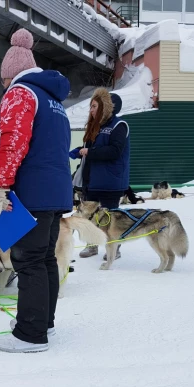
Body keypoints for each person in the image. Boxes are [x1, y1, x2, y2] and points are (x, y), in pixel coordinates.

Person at [0, 28, 72, 353]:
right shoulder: (53, 100)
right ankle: (41, 320)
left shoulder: (21, 93)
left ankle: (30, 333)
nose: (4, 88)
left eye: (3, 82)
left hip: (32, 192)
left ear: (10, 75)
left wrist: (1, 186)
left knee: (28, 260)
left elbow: (12, 143)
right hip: (55, 191)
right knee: (44, 259)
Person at [71, 88, 130, 259]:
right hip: (92, 181)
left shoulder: (119, 126)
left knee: (110, 217)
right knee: (89, 215)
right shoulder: (94, 127)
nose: (91, 110)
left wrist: (90, 152)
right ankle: (92, 244)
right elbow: (89, 149)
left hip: (111, 181)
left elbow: (115, 151)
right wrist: (78, 151)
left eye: (94, 106)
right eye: (91, 106)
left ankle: (114, 248)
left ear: (104, 107)